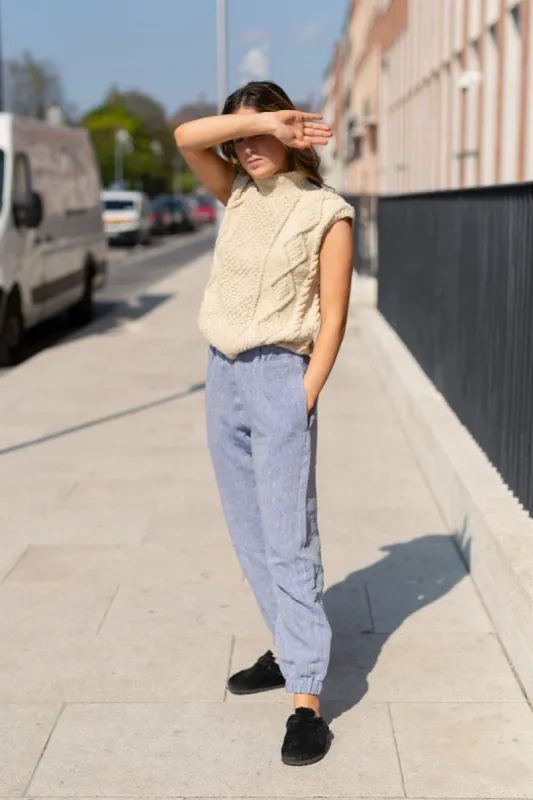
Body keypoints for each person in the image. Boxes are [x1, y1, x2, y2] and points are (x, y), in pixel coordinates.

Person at [174, 81, 354, 767]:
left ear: (290, 131)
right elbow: (185, 138)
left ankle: (306, 700)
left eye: (261, 133)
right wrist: (254, 122)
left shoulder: (326, 212)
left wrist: (302, 396)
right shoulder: (238, 194)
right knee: (247, 531)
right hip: (222, 375)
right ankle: (286, 649)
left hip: (280, 374)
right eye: (238, 137)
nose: (245, 147)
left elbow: (332, 316)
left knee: (288, 537)